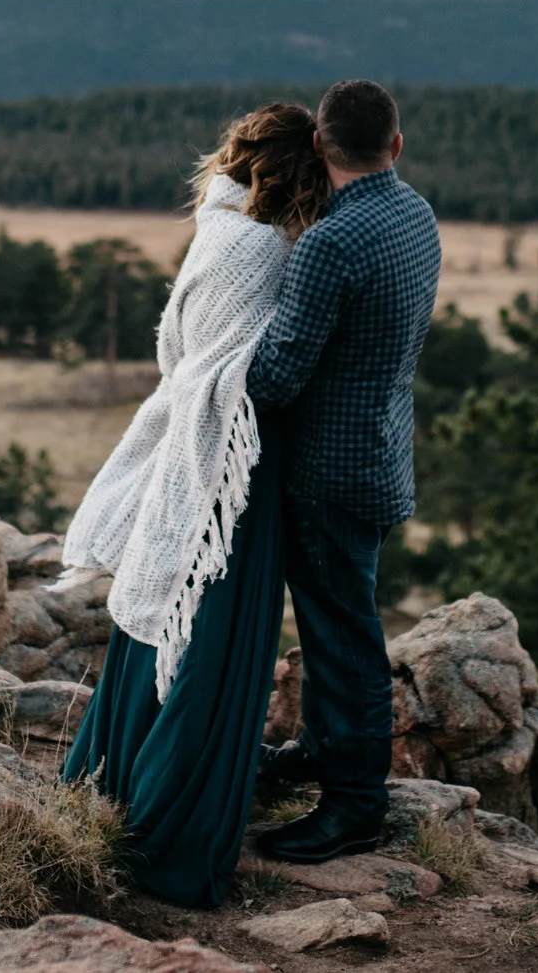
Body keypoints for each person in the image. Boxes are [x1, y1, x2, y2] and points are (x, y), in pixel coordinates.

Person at [59, 102, 330, 907]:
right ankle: (170, 832)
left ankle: (114, 794)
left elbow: (181, 347)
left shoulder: (218, 223)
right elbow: (265, 360)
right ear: (299, 173)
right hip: (235, 457)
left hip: (198, 446)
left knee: (163, 621)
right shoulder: (270, 249)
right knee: (216, 639)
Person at [243, 79, 443, 863]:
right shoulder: (415, 213)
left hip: (328, 470)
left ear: (321, 146)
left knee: (342, 638)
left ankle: (355, 804)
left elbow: (278, 377)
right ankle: (325, 751)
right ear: (395, 146)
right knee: (339, 623)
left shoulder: (332, 242)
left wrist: (215, 363)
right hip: (381, 452)